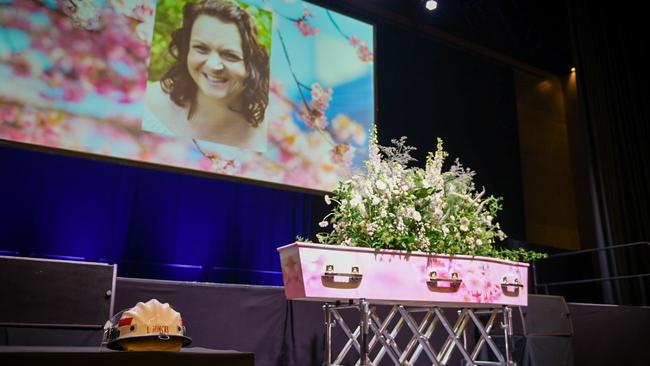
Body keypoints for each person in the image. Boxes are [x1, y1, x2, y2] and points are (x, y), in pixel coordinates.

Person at [143, 0, 270, 151]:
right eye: (201, 48)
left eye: (230, 55)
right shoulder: (148, 105)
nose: (213, 66)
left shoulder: (270, 133)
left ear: (251, 65)